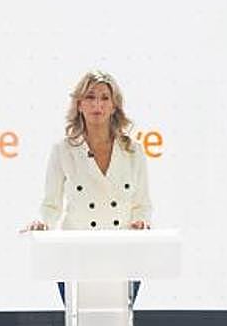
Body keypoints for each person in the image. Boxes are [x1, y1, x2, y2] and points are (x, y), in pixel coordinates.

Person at [27, 70, 153, 301]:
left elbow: (142, 204)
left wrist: (141, 222)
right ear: (79, 104)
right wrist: (43, 224)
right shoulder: (63, 150)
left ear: (114, 106)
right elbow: (51, 204)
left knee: (119, 319)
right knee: (78, 320)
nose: (97, 105)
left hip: (123, 255)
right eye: (90, 97)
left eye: (105, 98)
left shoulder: (133, 151)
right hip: (75, 255)